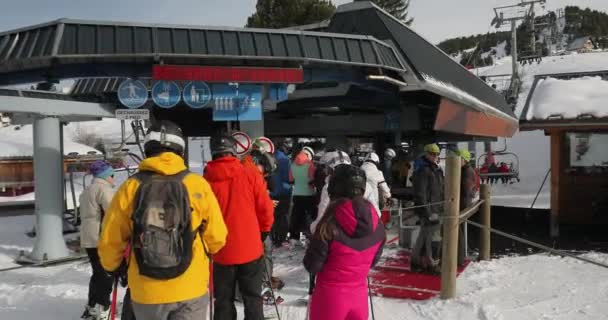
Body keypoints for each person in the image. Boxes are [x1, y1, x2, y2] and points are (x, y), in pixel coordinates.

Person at [98, 120, 227, 320]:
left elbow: (110, 240)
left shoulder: (130, 187)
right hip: (190, 287)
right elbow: (217, 237)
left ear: (148, 149)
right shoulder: (196, 185)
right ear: (180, 150)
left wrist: (114, 266)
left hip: (146, 290)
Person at [204, 134, 274, 320]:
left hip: (220, 252)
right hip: (250, 248)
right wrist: (264, 230)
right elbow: (265, 208)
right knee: (252, 298)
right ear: (233, 151)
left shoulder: (205, 180)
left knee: (223, 300)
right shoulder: (250, 174)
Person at [304, 164, 386, 320]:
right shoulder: (377, 223)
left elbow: (312, 265)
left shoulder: (329, 224)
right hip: (359, 296)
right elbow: (373, 261)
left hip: (330, 299)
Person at [79, 160, 115, 320]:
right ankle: (102, 307)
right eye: (112, 175)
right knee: (106, 274)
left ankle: (93, 305)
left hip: (88, 237)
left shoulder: (87, 190)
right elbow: (113, 213)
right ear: (106, 176)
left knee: (97, 273)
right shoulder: (103, 189)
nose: (113, 178)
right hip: (101, 237)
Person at [411, 143, 445, 274]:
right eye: (432, 153)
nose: (435, 156)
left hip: (436, 208)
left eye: (436, 154)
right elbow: (421, 194)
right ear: (426, 153)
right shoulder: (424, 170)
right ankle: (433, 264)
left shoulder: (436, 169)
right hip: (431, 210)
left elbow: (440, 190)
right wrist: (428, 213)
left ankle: (416, 263)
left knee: (424, 236)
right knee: (434, 238)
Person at [289, 146, 316, 247]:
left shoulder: (293, 165)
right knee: (309, 216)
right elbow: (312, 181)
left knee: (296, 215)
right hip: (309, 194)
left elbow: (291, 180)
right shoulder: (310, 165)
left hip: (297, 194)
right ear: (309, 155)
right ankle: (309, 237)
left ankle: (293, 237)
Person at [270, 140, 292, 248]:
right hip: (283, 191)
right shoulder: (285, 159)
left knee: (272, 216)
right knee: (282, 216)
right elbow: (288, 177)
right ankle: (281, 238)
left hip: (271, 191)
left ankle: (273, 238)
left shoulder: (270, 158)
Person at [458, 149, 477, 267]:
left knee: (461, 229)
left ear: (464, 160)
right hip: (463, 202)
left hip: (463, 203)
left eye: (459, 158)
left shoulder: (467, 172)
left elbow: (466, 190)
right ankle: (463, 250)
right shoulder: (465, 170)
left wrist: (462, 205)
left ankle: (463, 252)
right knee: (461, 229)